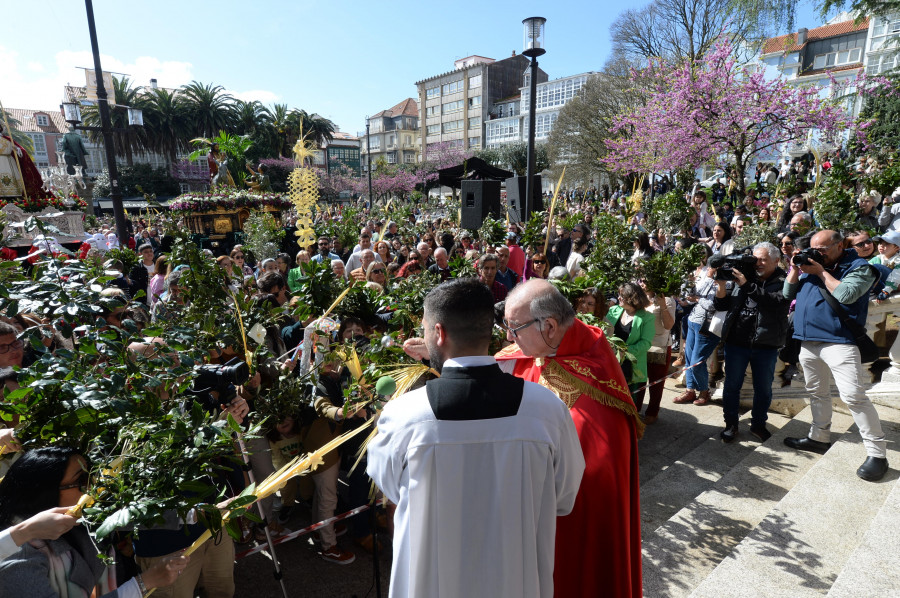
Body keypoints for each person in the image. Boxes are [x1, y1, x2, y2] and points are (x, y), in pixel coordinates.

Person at [376, 278, 584, 598]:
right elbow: (563, 497)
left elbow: (390, 489)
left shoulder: (403, 416)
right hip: (516, 582)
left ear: (439, 333)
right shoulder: (548, 411)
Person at [494, 279, 643, 598]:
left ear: (549, 325)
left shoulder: (594, 388)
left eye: (514, 327)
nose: (509, 336)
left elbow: (592, 482)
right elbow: (507, 362)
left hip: (565, 536)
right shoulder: (544, 346)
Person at [0, 447, 188, 596]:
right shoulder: (17, 557)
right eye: (82, 479)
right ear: (44, 493)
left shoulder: (75, 517)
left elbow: (127, 516)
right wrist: (145, 583)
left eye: (92, 474)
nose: (94, 486)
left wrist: (196, 514)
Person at [782, 230, 888, 481]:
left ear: (840, 246)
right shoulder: (810, 265)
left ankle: (877, 454)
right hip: (807, 341)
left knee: (854, 396)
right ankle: (818, 437)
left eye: (823, 249)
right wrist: (796, 269)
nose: (817, 253)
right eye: (813, 248)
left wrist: (819, 271)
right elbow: (788, 294)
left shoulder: (859, 266)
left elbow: (847, 295)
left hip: (839, 342)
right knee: (816, 391)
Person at [714, 243, 790, 442]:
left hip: (766, 344)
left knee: (763, 389)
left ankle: (758, 425)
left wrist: (746, 285)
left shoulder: (784, 280)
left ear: (776, 260)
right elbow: (722, 305)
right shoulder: (745, 274)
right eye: (755, 259)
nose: (758, 264)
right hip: (736, 342)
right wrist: (721, 284)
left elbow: (775, 302)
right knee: (731, 386)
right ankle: (730, 424)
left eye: (763, 259)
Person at [605, 283, 656, 402]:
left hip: (631, 367)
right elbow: (604, 332)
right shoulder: (613, 310)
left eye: (622, 296)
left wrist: (624, 351)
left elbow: (646, 343)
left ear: (632, 298)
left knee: (628, 402)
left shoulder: (647, 317)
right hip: (610, 362)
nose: (618, 298)